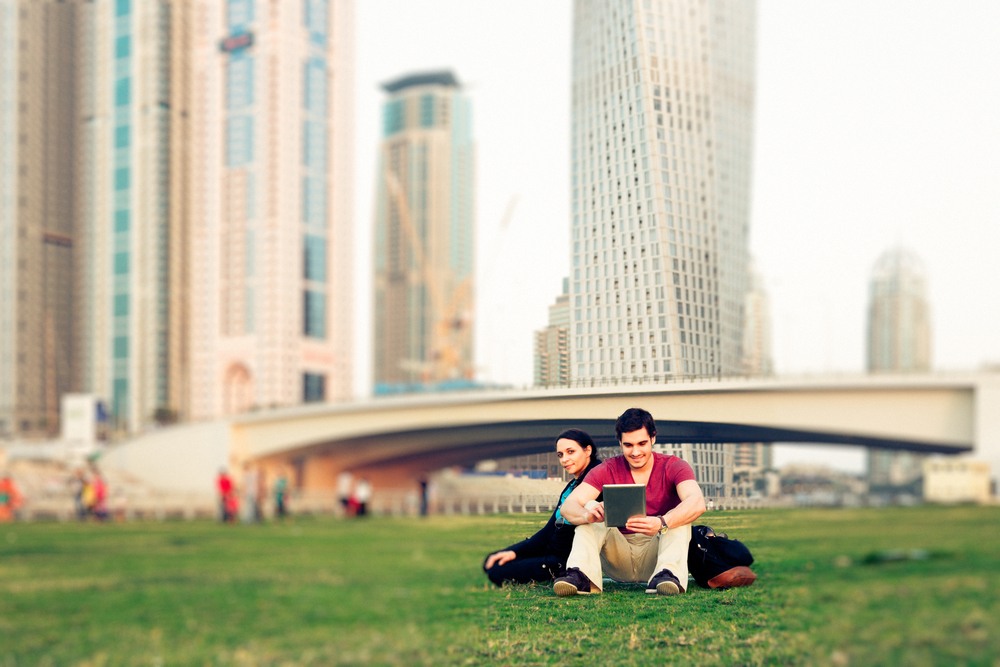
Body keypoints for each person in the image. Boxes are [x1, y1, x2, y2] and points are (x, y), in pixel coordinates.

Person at [552, 407, 707, 596]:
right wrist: (587, 514)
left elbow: (697, 502)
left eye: (642, 443)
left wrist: (662, 522)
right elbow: (569, 506)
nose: (635, 452)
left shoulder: (674, 466)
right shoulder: (608, 468)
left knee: (679, 516)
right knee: (591, 507)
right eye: (628, 445)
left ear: (653, 438)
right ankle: (580, 576)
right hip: (618, 555)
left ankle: (668, 575)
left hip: (657, 553)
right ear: (620, 442)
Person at [483, 429, 602, 586]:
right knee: (493, 558)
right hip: (549, 550)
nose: (564, 459)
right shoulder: (572, 486)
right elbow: (547, 532)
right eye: (560, 455)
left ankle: (565, 573)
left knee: (496, 570)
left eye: (570, 452)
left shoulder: (597, 481)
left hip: (561, 560)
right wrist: (514, 551)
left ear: (588, 450)